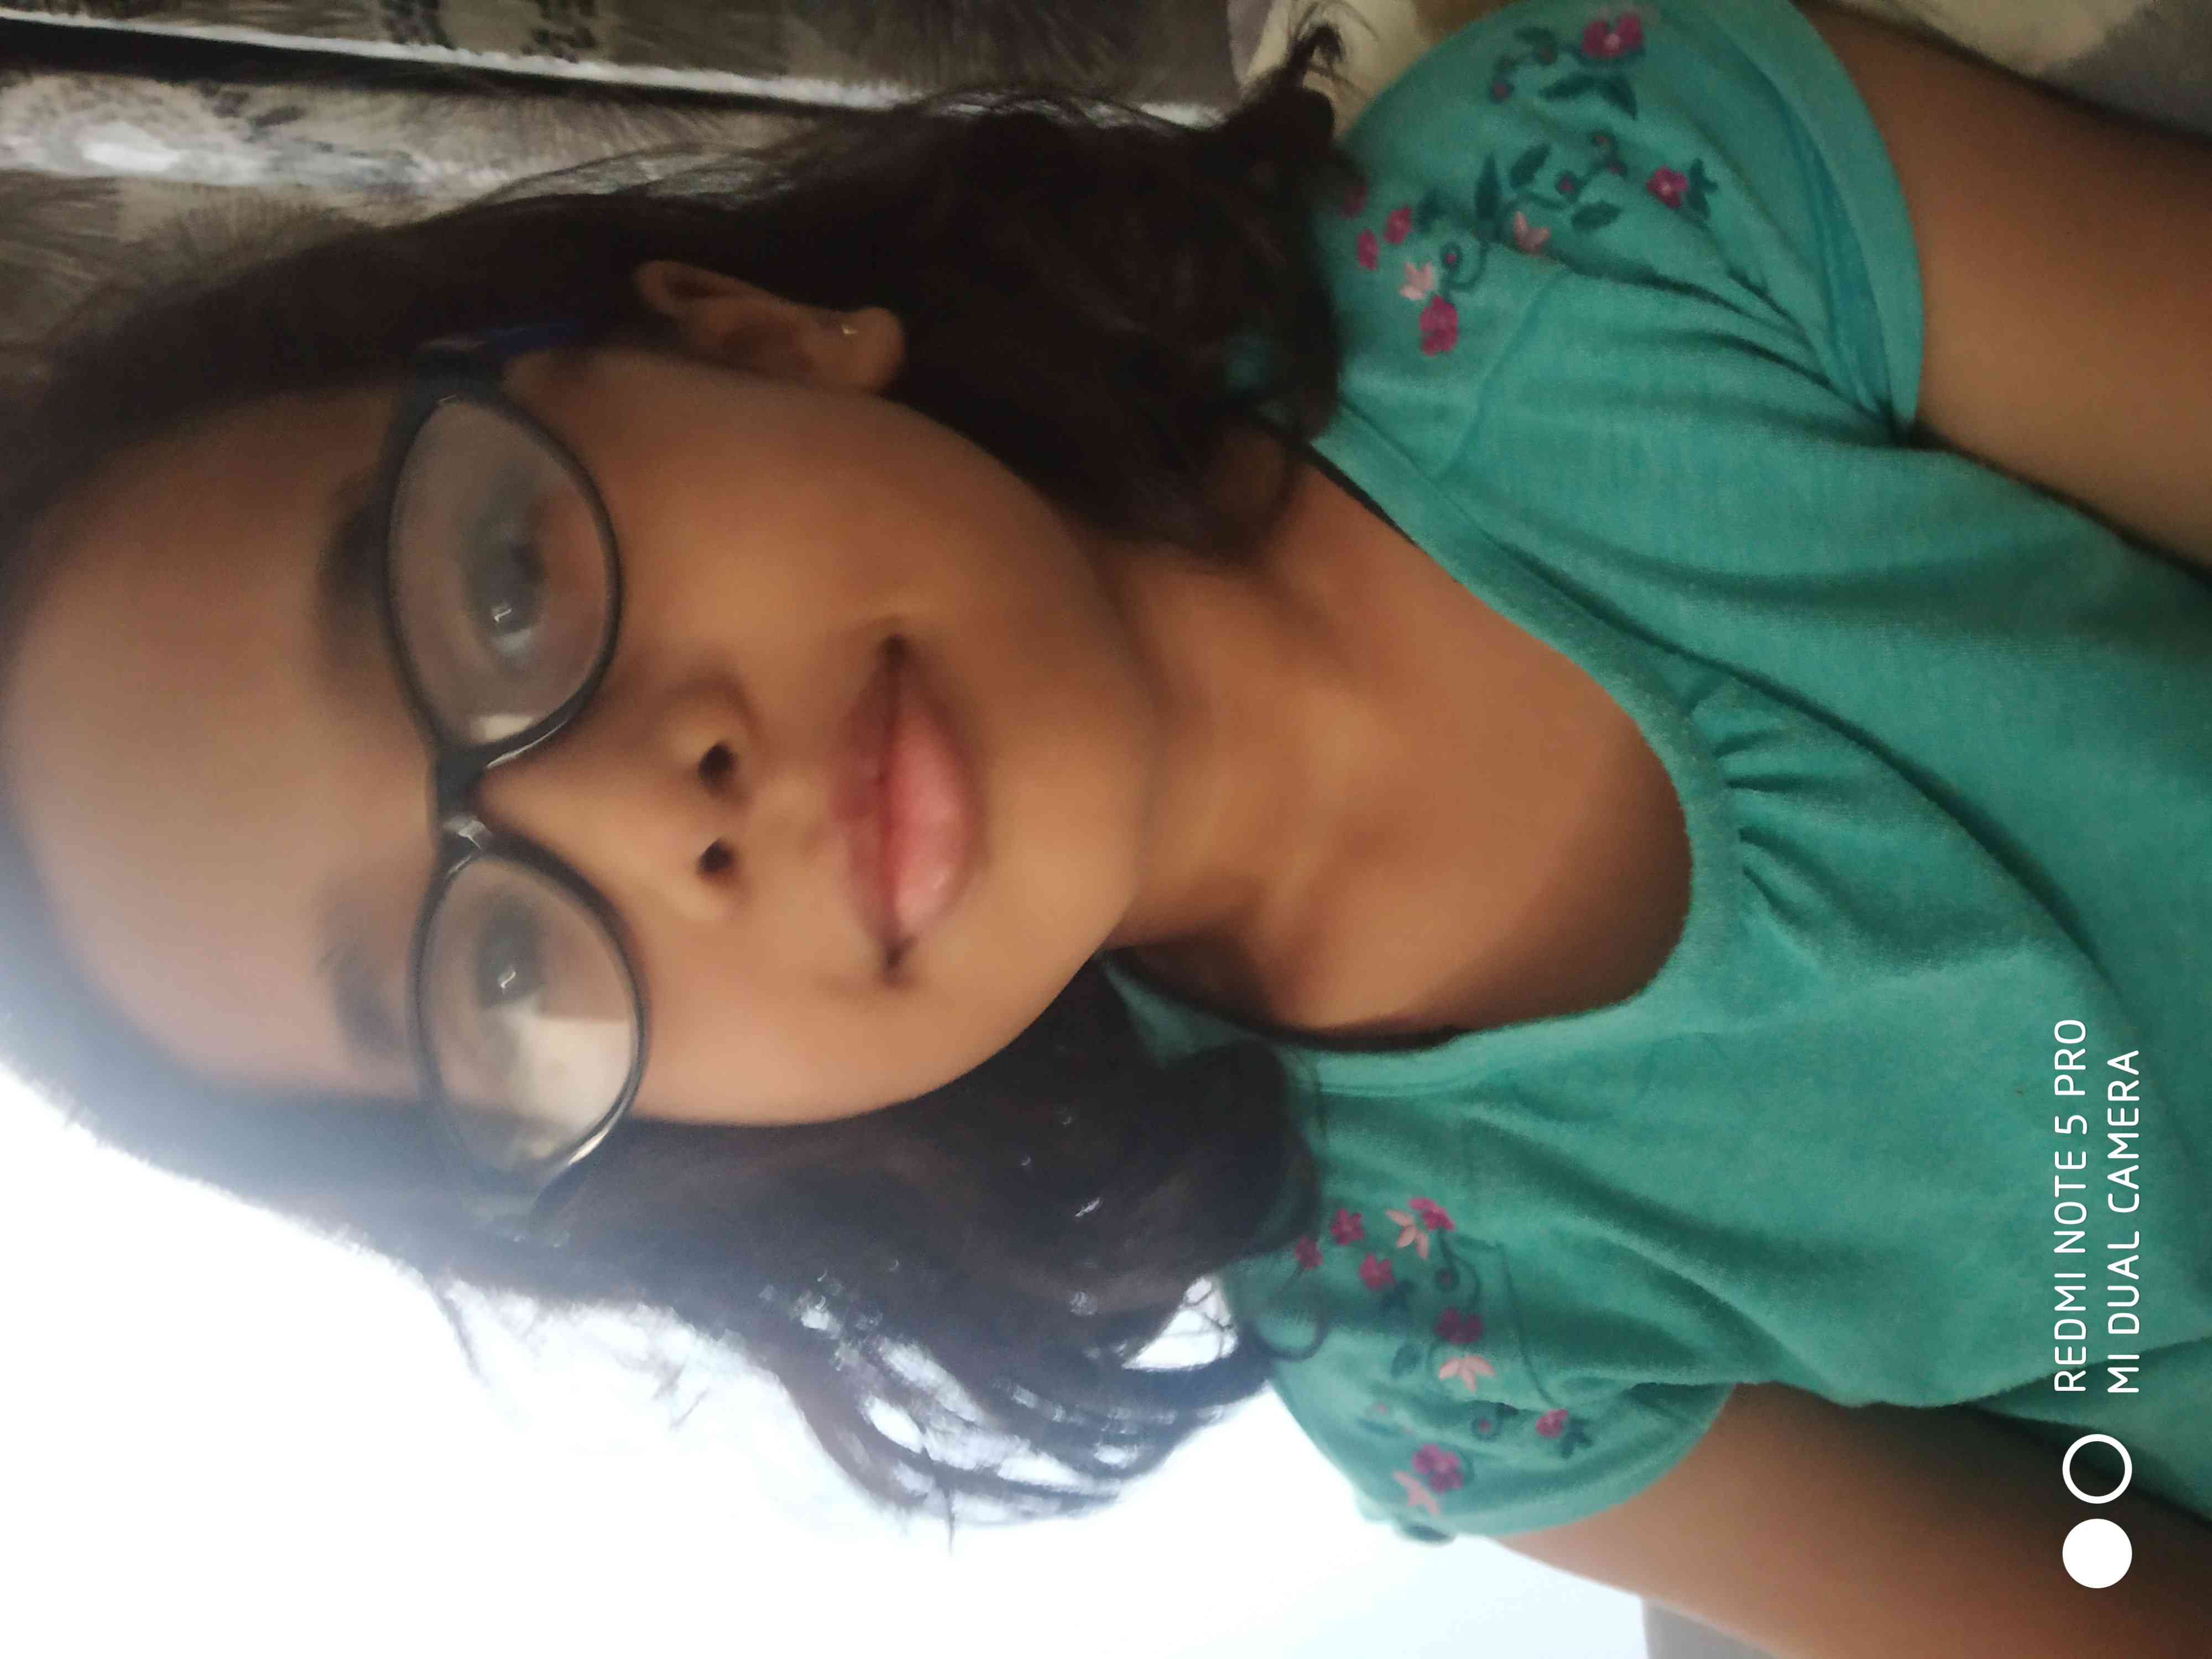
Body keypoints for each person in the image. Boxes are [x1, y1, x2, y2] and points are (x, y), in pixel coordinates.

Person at [2, 0, 2209, 1650]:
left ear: (742, 335)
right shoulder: (1433, 1355)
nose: (653, 807)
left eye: (494, 587)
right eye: (496, 978)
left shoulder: (1589, 202)